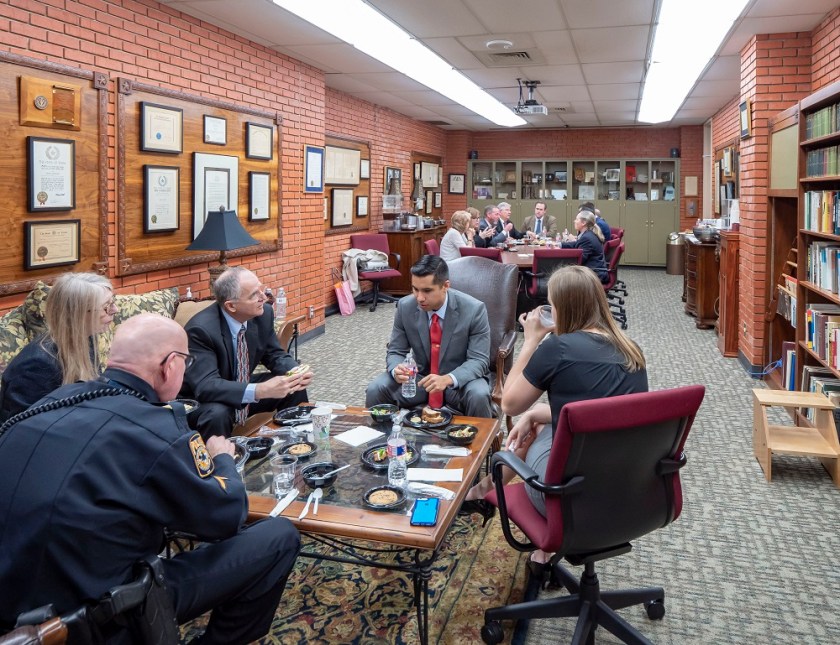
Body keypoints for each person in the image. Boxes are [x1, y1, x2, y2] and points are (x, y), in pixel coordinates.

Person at [0, 314, 300, 643]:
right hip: (102, 616)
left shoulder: (49, 404)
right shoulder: (157, 428)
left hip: (14, 608)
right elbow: (227, 517)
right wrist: (222, 459)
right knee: (279, 535)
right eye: (186, 363)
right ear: (170, 365)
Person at [464, 266, 648, 555]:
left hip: (565, 496)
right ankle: (487, 492)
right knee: (539, 422)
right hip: (628, 490)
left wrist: (531, 341)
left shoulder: (558, 349)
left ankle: (485, 491)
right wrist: (538, 412)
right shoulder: (631, 349)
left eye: (551, 304)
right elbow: (604, 412)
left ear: (563, 307)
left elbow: (509, 402)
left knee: (536, 430)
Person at [180, 266, 312, 439]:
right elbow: (206, 386)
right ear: (231, 306)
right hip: (203, 400)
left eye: (260, 289)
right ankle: (221, 462)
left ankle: (298, 443)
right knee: (217, 413)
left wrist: (295, 371)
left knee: (291, 385)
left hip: (239, 383)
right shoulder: (201, 330)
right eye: (254, 295)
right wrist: (259, 390)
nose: (264, 297)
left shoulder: (263, 314)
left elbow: (274, 354)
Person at [366, 255, 493, 417]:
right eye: (415, 289)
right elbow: (396, 351)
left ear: (445, 286)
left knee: (479, 394)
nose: (419, 297)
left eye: (427, 291)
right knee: (376, 388)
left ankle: (483, 442)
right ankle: (382, 440)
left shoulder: (474, 310)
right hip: (420, 380)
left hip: (459, 382)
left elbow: (479, 360)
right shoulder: (405, 307)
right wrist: (396, 369)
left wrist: (448, 378)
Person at [0, 272, 117, 423]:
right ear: (77, 314)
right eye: (107, 307)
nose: (115, 310)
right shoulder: (36, 365)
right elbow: (23, 429)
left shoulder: (87, 338)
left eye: (113, 302)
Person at [561, 209, 609, 283]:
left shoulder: (587, 237)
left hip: (594, 274)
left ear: (583, 223)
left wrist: (560, 258)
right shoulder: (589, 234)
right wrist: (560, 245)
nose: (574, 221)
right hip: (595, 270)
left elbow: (579, 260)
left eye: (576, 219)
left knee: (562, 274)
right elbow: (576, 244)